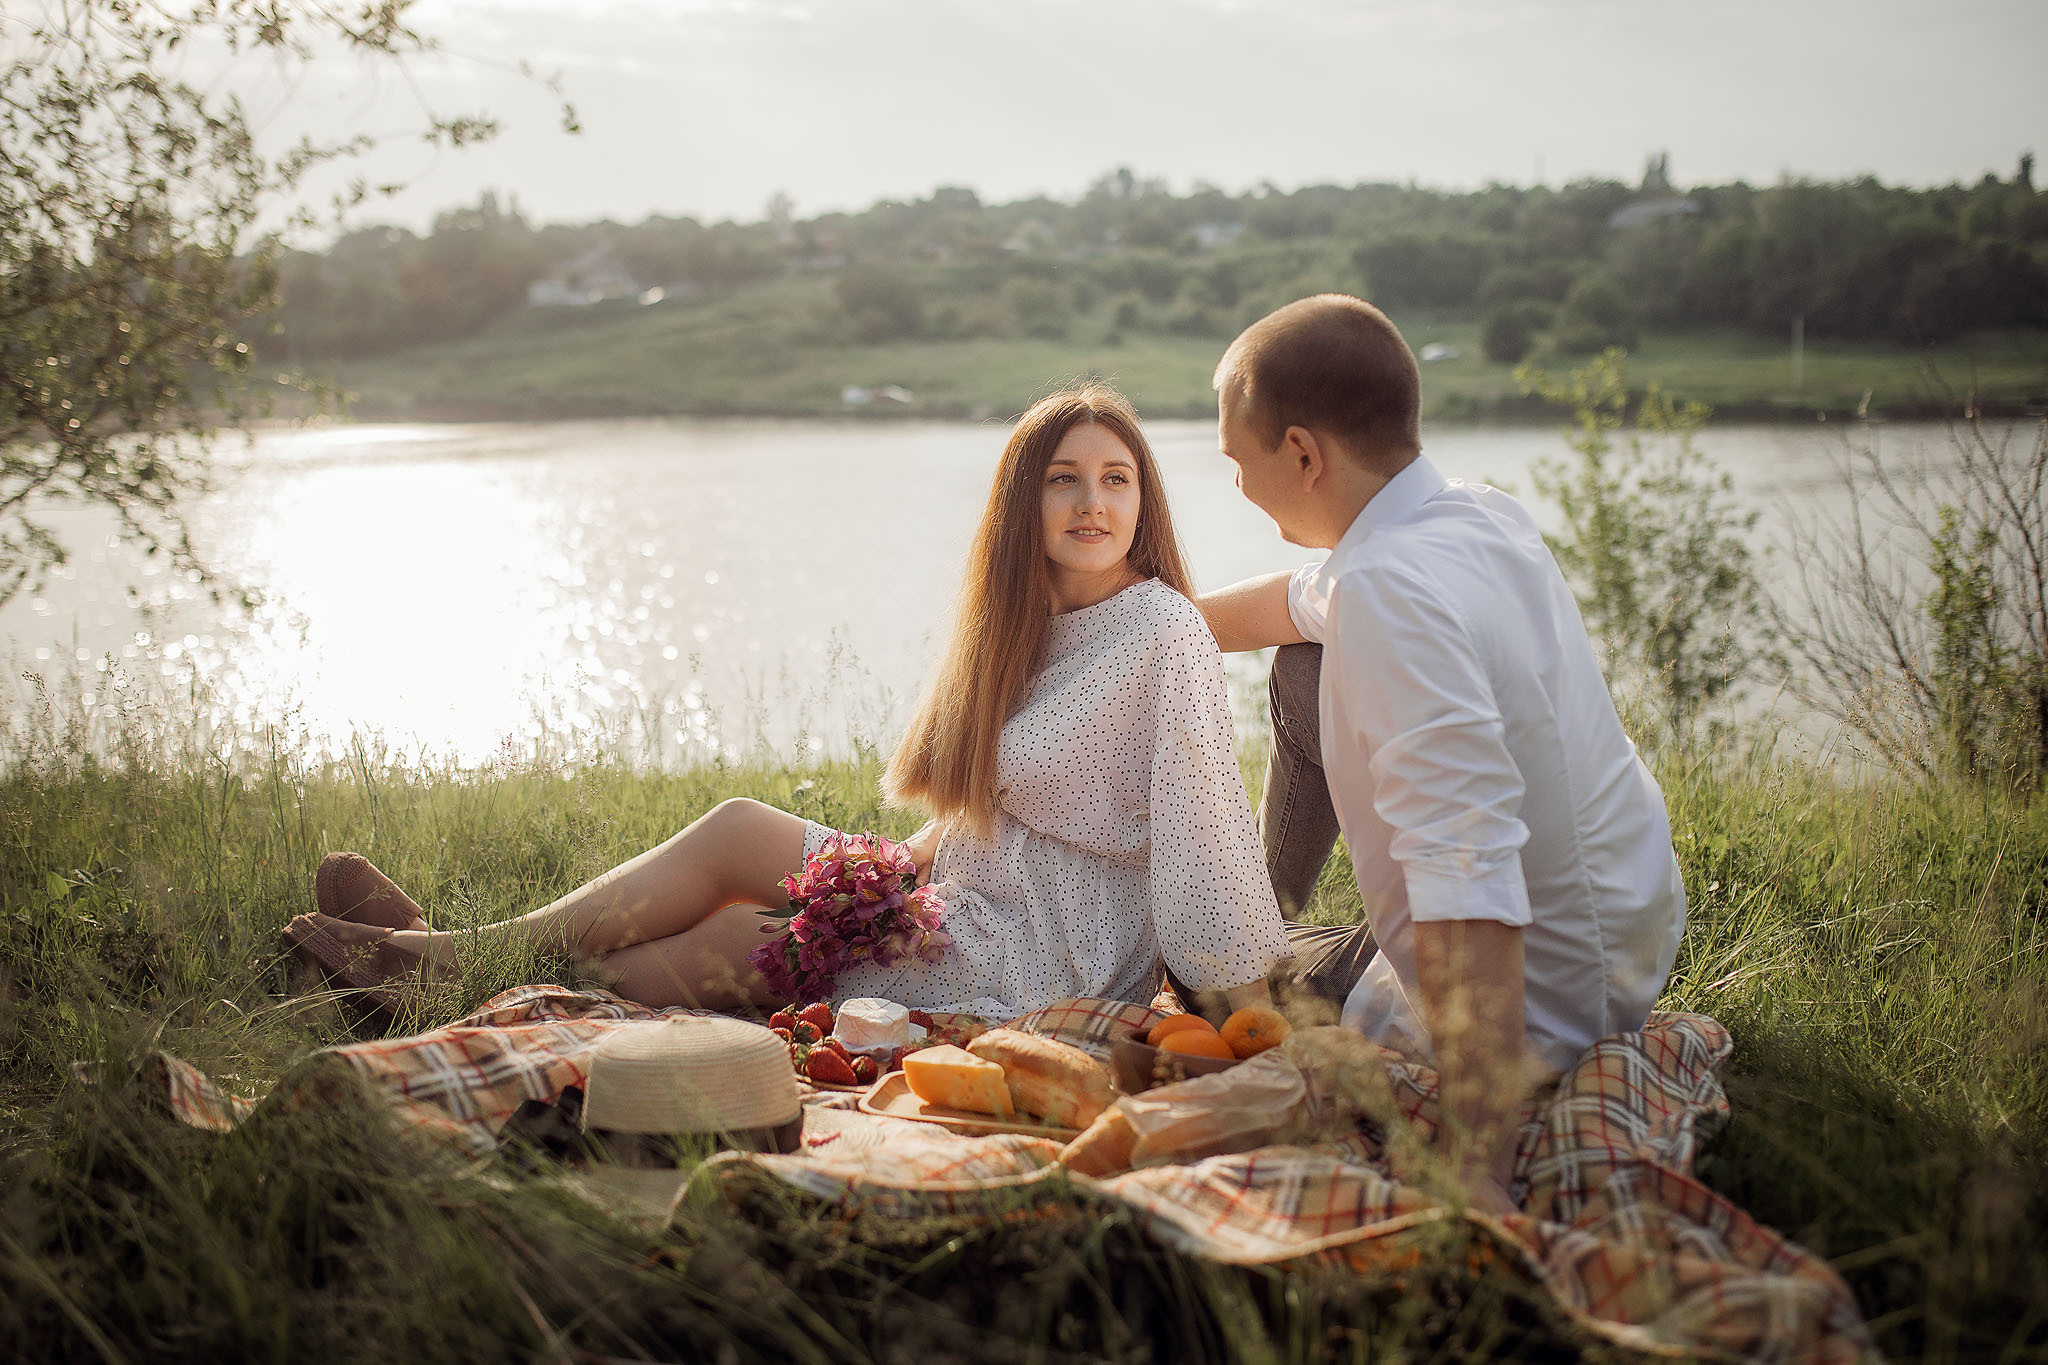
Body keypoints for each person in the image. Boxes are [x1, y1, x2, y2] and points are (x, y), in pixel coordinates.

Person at [285, 385, 1294, 1022]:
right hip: (954, 900)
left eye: (1116, 479)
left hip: (1035, 956)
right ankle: (458, 965)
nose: (1091, 502)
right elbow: (1003, 807)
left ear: (1141, 503)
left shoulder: (1163, 633)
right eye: (1063, 479)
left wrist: (1239, 994)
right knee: (737, 837)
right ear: (1020, 505)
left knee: (744, 939)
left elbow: (1203, 822)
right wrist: (886, 871)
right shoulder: (1022, 634)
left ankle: (450, 982)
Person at [1197, 294, 1688, 1212]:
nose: (1235, 483)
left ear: (1303, 453)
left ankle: (1262, 950)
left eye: (1238, 458)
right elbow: (1286, 604)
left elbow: (1468, 868)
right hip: (1632, 926)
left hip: (1537, 995)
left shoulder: (1388, 594)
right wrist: (1126, 619)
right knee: (1305, 663)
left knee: (1196, 964)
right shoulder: (1470, 517)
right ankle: (1274, 920)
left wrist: (1477, 1155)